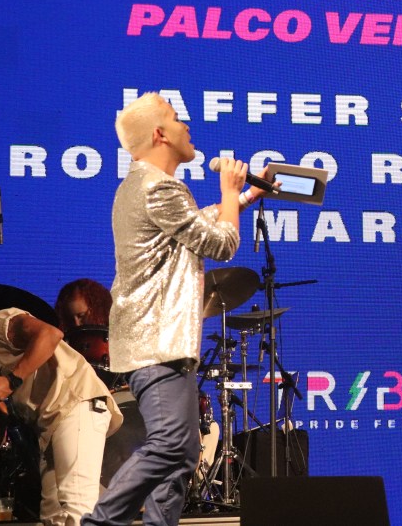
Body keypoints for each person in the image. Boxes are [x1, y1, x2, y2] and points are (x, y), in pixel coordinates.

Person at [83, 92, 270, 526]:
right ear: (160, 134)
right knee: (171, 444)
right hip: (157, 343)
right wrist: (229, 191)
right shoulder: (158, 186)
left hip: (157, 343)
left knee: (182, 453)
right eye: (176, 118)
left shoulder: (143, 185)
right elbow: (222, 244)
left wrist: (243, 198)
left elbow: (193, 225)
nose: (187, 126)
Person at [0, 307, 124, 526]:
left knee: (76, 508)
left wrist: (11, 381)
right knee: (54, 516)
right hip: (51, 423)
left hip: (75, 403)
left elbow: (50, 334)